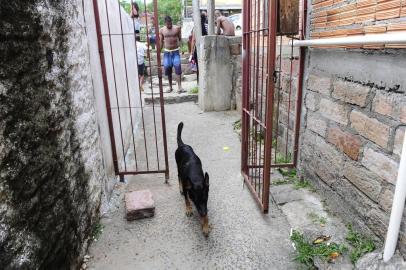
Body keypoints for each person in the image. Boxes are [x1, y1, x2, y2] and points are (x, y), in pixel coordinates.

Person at [159, 16, 183, 93]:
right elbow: (161, 41)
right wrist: (159, 51)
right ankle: (170, 87)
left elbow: (180, 39)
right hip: (167, 52)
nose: (169, 25)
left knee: (178, 68)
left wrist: (181, 49)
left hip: (175, 51)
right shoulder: (162, 30)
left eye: (170, 23)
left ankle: (179, 87)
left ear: (172, 22)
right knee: (168, 69)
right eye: (168, 24)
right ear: (165, 23)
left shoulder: (177, 28)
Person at [190, 13, 208, 81]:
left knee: (198, 67)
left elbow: (193, 40)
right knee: (206, 66)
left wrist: (191, 52)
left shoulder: (196, 27)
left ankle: (199, 82)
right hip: (206, 49)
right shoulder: (207, 26)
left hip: (197, 50)